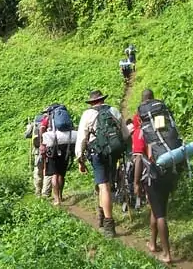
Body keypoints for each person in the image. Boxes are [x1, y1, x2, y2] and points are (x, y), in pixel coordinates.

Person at [133, 89, 179, 264]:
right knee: (157, 208)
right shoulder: (163, 124)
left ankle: (167, 254)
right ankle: (152, 243)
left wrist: (136, 182)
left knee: (160, 214)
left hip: (153, 176)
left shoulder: (142, 131)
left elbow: (138, 159)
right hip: (169, 169)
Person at [76, 90, 130, 237]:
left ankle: (108, 224)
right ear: (103, 100)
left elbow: (81, 138)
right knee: (107, 184)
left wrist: (80, 159)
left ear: (92, 102)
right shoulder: (114, 111)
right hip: (113, 152)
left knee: (103, 186)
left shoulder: (87, 115)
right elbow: (125, 134)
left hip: (97, 153)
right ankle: (101, 214)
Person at [39, 113, 74, 205]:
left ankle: (56, 199)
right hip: (66, 147)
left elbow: (42, 128)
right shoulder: (66, 116)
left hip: (53, 147)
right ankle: (61, 196)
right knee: (61, 174)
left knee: (55, 174)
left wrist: (42, 143)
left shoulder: (48, 117)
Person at [25, 116, 51, 198]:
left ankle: (38, 192)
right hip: (50, 149)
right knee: (48, 170)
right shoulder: (52, 120)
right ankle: (46, 193)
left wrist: (29, 127)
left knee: (38, 170)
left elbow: (27, 135)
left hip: (38, 150)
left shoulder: (36, 122)